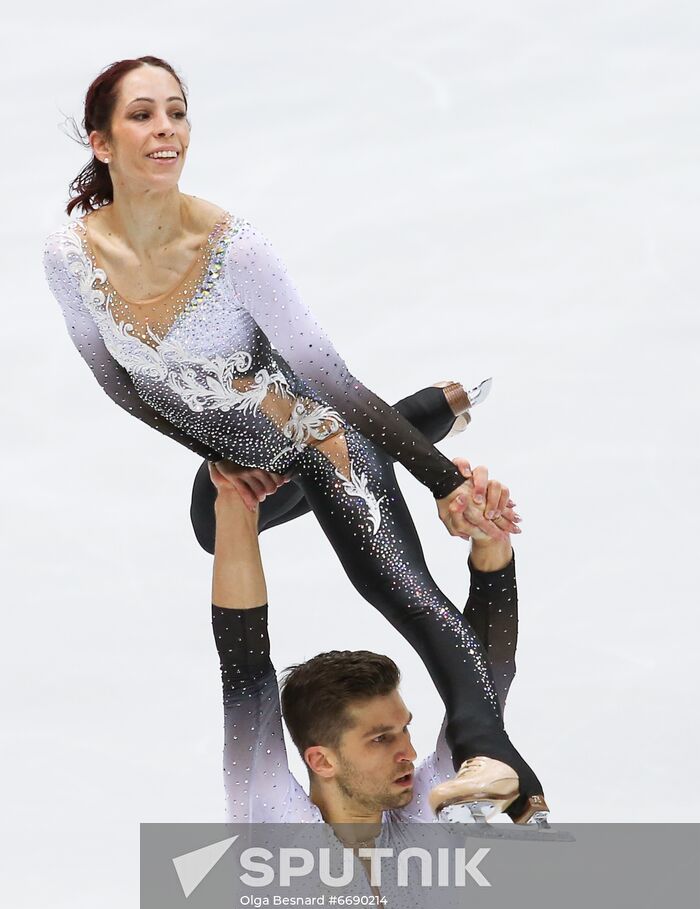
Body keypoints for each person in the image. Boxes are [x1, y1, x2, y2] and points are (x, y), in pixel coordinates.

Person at [42, 55, 547, 821]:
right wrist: (215, 457)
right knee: (213, 527)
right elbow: (119, 382)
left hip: (314, 431)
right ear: (102, 140)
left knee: (395, 587)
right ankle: (423, 408)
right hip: (240, 449)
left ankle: (498, 759)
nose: (167, 129)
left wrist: (444, 481)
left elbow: (335, 387)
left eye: (177, 112)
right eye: (143, 114)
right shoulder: (70, 255)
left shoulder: (235, 249)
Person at [209, 442, 533, 909]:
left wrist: (490, 546)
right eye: (381, 739)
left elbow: (483, 690)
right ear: (321, 759)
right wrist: (234, 507)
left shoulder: (424, 821)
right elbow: (244, 669)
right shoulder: (271, 827)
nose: (407, 751)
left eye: (404, 728)